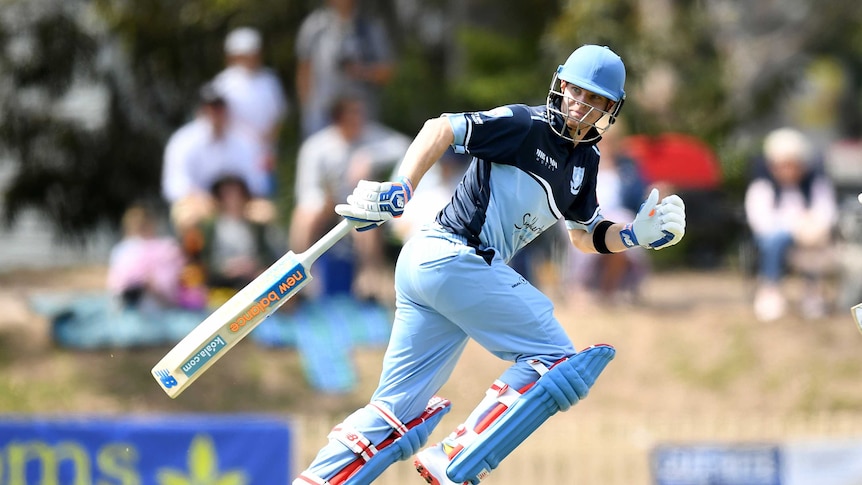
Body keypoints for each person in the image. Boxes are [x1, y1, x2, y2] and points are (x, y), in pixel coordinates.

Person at [291, 45, 687, 485]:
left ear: (611, 109)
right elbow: (440, 128)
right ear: (561, 86)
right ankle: (456, 453)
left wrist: (634, 236)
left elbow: (583, 234)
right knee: (554, 357)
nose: (581, 105)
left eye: (596, 100)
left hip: (444, 271)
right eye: (576, 92)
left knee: (396, 411)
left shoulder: (586, 162)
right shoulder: (525, 125)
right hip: (452, 256)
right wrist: (402, 186)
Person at [288, 95, 409, 302]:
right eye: (353, 116)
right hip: (325, 207)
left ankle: (370, 282)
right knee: (305, 215)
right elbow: (306, 191)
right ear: (338, 119)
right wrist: (325, 202)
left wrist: (369, 156)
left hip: (360, 206)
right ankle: (298, 280)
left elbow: (405, 145)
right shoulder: (316, 147)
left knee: (364, 222)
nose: (359, 120)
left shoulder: (370, 136)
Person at [744, 127, 838, 322]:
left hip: (809, 239)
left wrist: (812, 227)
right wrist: (795, 226)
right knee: (776, 239)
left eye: (793, 164)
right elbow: (761, 222)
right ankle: (770, 291)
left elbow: (827, 213)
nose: (788, 170)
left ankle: (812, 293)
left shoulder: (815, 185)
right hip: (774, 239)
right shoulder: (762, 187)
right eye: (783, 165)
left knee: (814, 243)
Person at [161, 83, 270, 232]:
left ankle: (265, 253)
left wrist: (237, 200)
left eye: (219, 107)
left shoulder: (245, 140)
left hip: (241, 202)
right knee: (186, 216)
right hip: (200, 203)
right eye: (210, 108)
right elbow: (176, 187)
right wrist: (206, 201)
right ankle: (196, 255)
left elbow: (258, 183)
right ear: (200, 111)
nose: (215, 113)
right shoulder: (182, 141)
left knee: (265, 212)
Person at [567, 119, 649, 303]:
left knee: (621, 229)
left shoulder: (628, 166)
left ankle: (608, 290)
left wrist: (652, 193)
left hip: (617, 216)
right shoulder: (578, 161)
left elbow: (637, 196)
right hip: (581, 216)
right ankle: (579, 287)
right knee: (590, 228)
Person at [295, 0, 394, 138]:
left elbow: (386, 73)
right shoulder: (314, 27)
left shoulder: (369, 28)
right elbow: (304, 70)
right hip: (322, 115)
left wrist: (360, 71)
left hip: (360, 116)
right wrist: (308, 111)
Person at [212, 27, 289, 194]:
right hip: (233, 154)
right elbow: (217, 119)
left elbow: (278, 116)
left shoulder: (269, 80)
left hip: (265, 154)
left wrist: (267, 144)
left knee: (265, 196)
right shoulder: (222, 84)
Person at [107, 205, 186, 313]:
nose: (139, 232)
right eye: (136, 227)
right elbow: (115, 289)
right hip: (133, 307)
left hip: (160, 307)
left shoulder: (167, 249)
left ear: (152, 224)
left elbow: (171, 294)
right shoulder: (122, 250)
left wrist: (151, 285)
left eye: (142, 226)